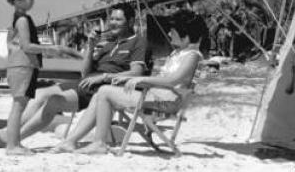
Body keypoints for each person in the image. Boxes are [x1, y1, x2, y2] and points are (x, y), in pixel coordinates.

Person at [0, 2, 147, 150]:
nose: (113, 23)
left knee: (52, 101)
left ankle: (8, 137)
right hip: (87, 84)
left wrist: (104, 77)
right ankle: (10, 136)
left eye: (118, 20)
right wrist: (90, 47)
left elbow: (136, 73)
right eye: (112, 19)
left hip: (107, 89)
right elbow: (85, 73)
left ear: (131, 21)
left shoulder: (138, 42)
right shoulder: (108, 43)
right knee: (42, 95)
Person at [56, 10, 203, 154]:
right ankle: (72, 141)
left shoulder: (192, 56)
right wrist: (131, 78)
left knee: (105, 91)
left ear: (186, 36)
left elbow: (173, 80)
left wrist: (140, 78)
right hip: (154, 96)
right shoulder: (176, 54)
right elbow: (164, 79)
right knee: (100, 94)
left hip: (166, 102)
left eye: (173, 31)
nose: (169, 34)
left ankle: (99, 143)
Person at [0, 0, 81, 155]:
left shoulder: (20, 18)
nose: (31, 1)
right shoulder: (22, 20)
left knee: (19, 105)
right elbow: (27, 46)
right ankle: (12, 145)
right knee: (18, 106)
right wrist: (52, 48)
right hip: (23, 65)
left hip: (23, 65)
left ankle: (14, 143)